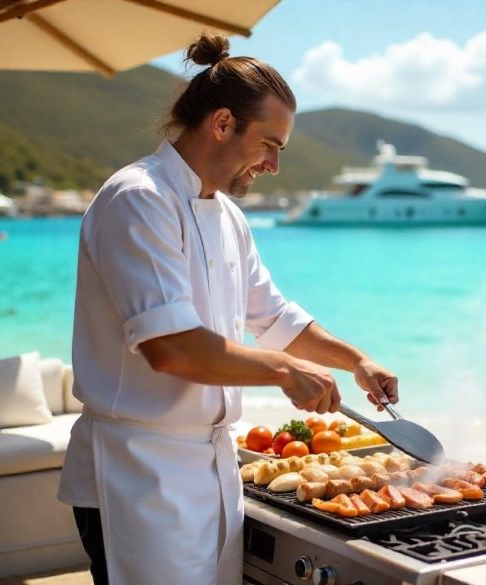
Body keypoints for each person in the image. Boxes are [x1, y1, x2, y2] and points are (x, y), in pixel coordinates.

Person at [57, 32, 399, 585]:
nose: (273, 166)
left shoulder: (228, 217)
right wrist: (285, 372)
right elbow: (171, 348)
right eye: (270, 145)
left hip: (211, 472)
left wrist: (355, 361)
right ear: (221, 124)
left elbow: (274, 318)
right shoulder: (138, 198)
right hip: (138, 477)